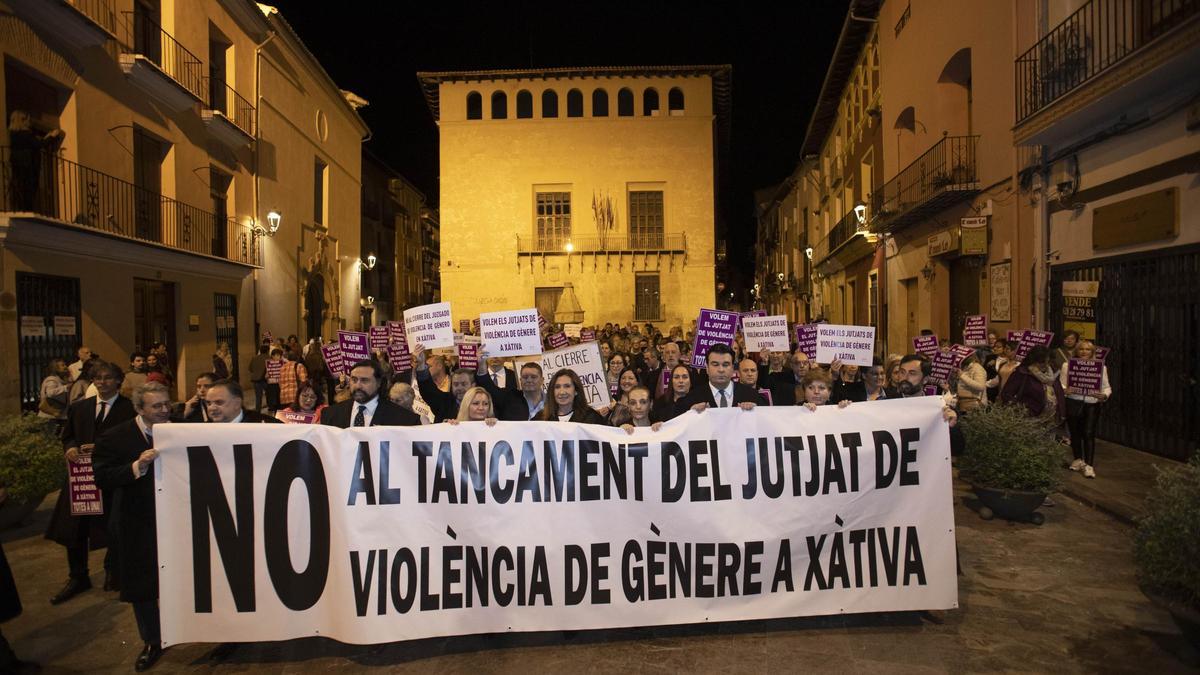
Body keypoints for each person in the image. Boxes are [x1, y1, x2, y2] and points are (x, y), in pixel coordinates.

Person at [92, 382, 172, 672]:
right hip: (136, 520)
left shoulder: (183, 429)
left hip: (177, 520)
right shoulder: (115, 437)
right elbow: (101, 476)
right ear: (140, 408)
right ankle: (152, 639)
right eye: (157, 406)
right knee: (143, 583)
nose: (165, 410)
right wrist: (136, 467)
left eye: (167, 404)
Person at [45, 360, 135, 604]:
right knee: (74, 529)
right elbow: (68, 436)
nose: (102, 383)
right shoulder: (80, 408)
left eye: (108, 378)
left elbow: (134, 444)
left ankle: (113, 570)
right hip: (81, 479)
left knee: (112, 527)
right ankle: (78, 576)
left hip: (111, 478)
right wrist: (71, 447)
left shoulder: (130, 410)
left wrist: (103, 449)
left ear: (118, 381)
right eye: (98, 378)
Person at [1061, 340, 1111, 479]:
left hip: (1092, 404)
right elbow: (1061, 384)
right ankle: (1078, 459)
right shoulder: (1067, 366)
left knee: (1088, 433)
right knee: (1075, 433)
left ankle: (1089, 465)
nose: (1084, 352)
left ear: (1092, 352)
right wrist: (1066, 390)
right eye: (1081, 349)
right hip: (1073, 402)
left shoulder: (1101, 367)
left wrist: (1104, 395)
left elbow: (1107, 387)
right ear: (1077, 351)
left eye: (1088, 349)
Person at [320, 361, 420, 427]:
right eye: (354, 380)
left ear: (379, 383)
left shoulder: (404, 419)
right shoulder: (330, 415)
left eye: (364, 380)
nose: (358, 386)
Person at [674, 344, 764, 416]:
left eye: (725, 364)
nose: (721, 370)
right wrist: (688, 415)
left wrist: (758, 412)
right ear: (707, 368)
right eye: (715, 364)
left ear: (732, 368)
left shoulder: (753, 397)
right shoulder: (690, 400)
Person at [8, 109, 64, 212]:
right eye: (28, 120)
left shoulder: (13, 135)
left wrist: (45, 138)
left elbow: (35, 144)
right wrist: (52, 136)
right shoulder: (26, 134)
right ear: (23, 120)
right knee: (29, 191)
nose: (29, 122)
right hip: (29, 168)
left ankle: (21, 209)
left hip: (18, 167)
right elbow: (38, 145)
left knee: (20, 190)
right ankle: (27, 210)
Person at [999, 346, 1065, 426]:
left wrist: (1061, 413)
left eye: (1047, 361)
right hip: (1029, 420)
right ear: (1033, 360)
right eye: (1041, 362)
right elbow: (1006, 394)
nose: (1045, 364)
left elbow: (1059, 394)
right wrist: (1021, 410)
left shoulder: (1054, 373)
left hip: (1051, 420)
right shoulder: (1022, 372)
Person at [413, 344, 475, 422]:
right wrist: (421, 365)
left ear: (473, 385)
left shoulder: (481, 404)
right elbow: (428, 390)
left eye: (464, 384)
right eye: (455, 384)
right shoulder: (444, 403)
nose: (459, 388)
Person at [538, 369, 607, 424]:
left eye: (567, 386)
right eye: (557, 387)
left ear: (576, 391)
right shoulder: (541, 418)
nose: (562, 392)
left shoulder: (592, 418)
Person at [204, 380, 282, 424]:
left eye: (219, 402)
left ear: (237, 403)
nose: (212, 408)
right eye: (208, 403)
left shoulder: (268, 425)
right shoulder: (201, 431)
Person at [38, 358, 70, 422]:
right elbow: (50, 393)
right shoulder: (51, 379)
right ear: (56, 368)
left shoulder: (61, 380)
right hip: (50, 417)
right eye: (62, 365)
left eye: (65, 364)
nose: (65, 367)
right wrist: (66, 387)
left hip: (58, 416)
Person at [248, 345, 269, 412]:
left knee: (258, 397)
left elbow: (250, 368)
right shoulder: (269, 358)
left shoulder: (254, 358)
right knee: (269, 395)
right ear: (268, 351)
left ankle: (258, 412)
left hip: (256, 380)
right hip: (266, 380)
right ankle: (270, 409)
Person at [264, 348, 284, 412]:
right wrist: (266, 376)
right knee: (273, 403)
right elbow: (265, 376)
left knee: (280, 403)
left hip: (280, 386)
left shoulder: (283, 363)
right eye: (275, 355)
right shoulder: (268, 364)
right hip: (271, 386)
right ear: (272, 356)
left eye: (279, 355)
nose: (277, 357)